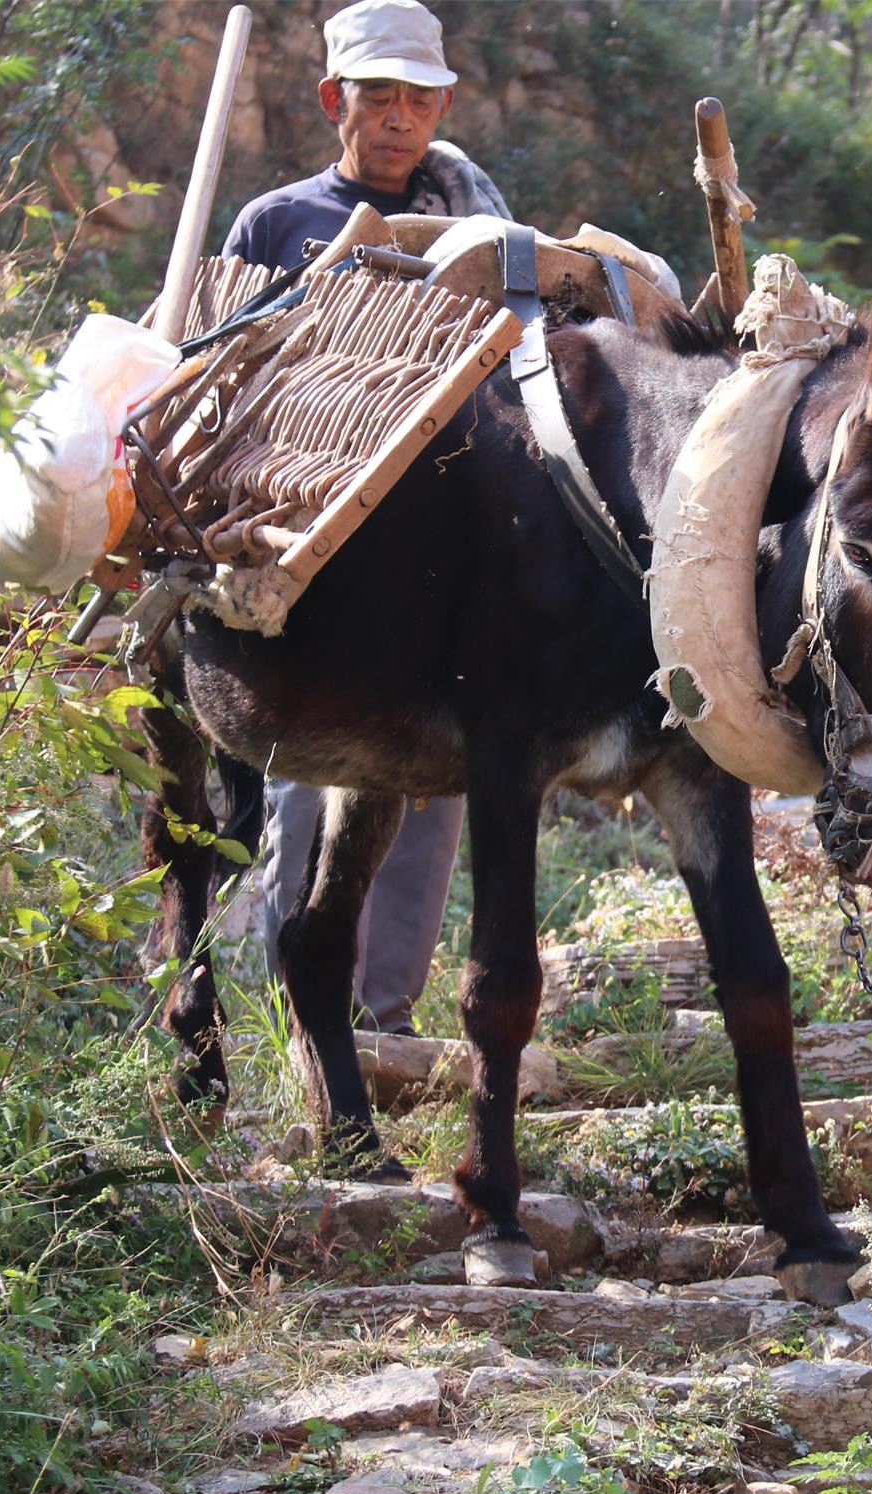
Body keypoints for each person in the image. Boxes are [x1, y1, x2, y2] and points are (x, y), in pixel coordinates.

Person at [219, 0, 507, 1036]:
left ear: (441, 108)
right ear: (335, 99)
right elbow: (222, 375)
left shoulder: (481, 233)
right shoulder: (277, 222)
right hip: (317, 548)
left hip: (439, 556)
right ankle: (304, 1016)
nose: (398, 119)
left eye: (418, 99)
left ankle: (384, 1018)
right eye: (378, 96)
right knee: (310, 775)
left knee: (434, 782)